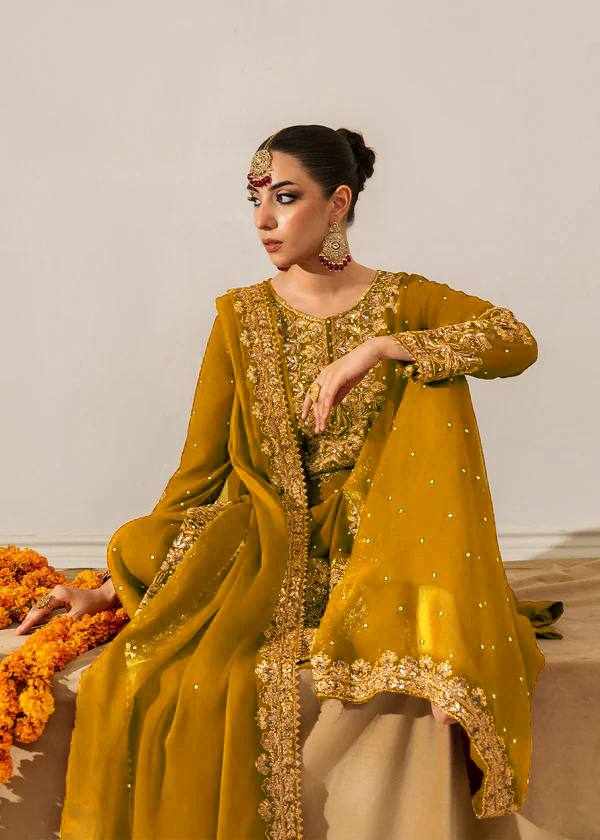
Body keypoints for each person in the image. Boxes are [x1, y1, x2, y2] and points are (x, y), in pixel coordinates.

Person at [21, 124, 563, 839]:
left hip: (380, 541)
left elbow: (514, 340)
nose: (263, 221)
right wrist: (110, 590)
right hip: (269, 547)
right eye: (254, 200)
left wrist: (382, 348)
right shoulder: (240, 317)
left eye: (284, 198)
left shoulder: (404, 300)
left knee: (436, 377)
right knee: (149, 552)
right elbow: (199, 473)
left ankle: (438, 629)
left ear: (337, 203)